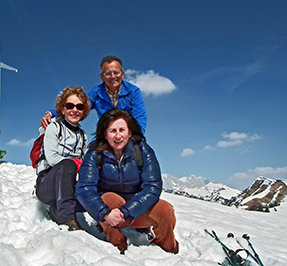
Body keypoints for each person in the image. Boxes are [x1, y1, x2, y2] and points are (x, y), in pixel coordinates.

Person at [76, 109, 179, 254]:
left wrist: (127, 211)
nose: (118, 136)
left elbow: (152, 187)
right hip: (109, 214)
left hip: (135, 211)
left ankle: (169, 251)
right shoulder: (95, 154)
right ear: (105, 134)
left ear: (129, 133)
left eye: (122, 130)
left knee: (165, 210)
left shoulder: (142, 151)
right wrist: (105, 213)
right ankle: (117, 246)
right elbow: (85, 188)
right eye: (112, 131)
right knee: (109, 198)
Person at [41, 55, 147, 134]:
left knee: (140, 157)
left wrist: (135, 137)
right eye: (108, 73)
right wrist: (50, 113)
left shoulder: (133, 91)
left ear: (122, 74)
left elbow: (140, 117)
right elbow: (76, 106)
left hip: (128, 134)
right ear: (102, 77)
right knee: (94, 156)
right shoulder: (96, 93)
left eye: (116, 72)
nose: (113, 76)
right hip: (106, 135)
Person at [35, 86, 90, 231]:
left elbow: (84, 164)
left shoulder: (83, 136)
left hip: (69, 185)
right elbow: (52, 159)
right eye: (70, 106)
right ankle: (66, 219)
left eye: (79, 107)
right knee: (67, 165)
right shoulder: (54, 127)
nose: (74, 110)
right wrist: (75, 163)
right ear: (63, 109)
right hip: (47, 184)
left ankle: (57, 209)